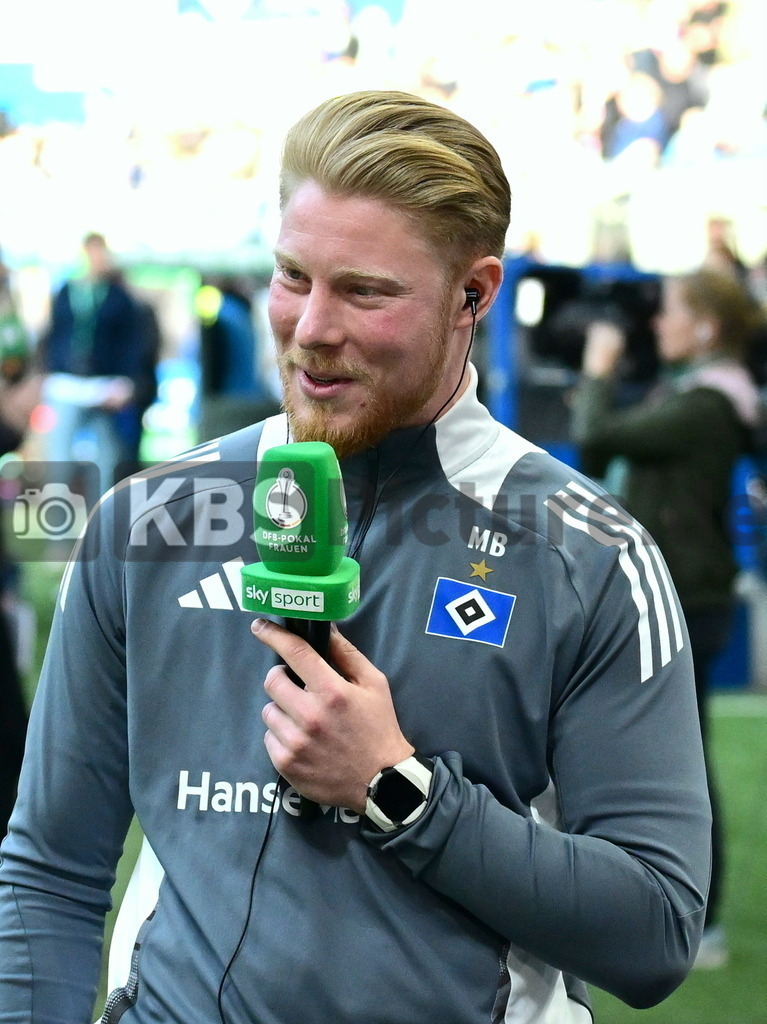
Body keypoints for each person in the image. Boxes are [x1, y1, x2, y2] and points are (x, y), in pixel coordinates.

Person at [0, 91, 711, 1024]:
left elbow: (656, 931)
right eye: (293, 276)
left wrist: (397, 791)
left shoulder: (587, 555)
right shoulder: (153, 519)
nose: (311, 327)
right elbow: (51, 872)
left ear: (475, 294)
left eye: (365, 291)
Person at [571, 267, 765, 970]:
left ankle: (698, 919)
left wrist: (597, 370)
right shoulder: (700, 398)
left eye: (673, 311)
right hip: (683, 591)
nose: (657, 323)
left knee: (679, 759)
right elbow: (600, 448)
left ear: (707, 326)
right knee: (656, 753)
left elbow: (594, 433)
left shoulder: (705, 407)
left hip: (685, 596)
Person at [38, 232, 146, 506]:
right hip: (67, 382)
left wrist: (128, 383)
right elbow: (53, 334)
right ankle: (58, 538)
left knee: (107, 458)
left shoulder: (118, 297)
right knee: (59, 460)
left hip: (102, 385)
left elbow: (130, 342)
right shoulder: (66, 291)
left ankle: (102, 531)